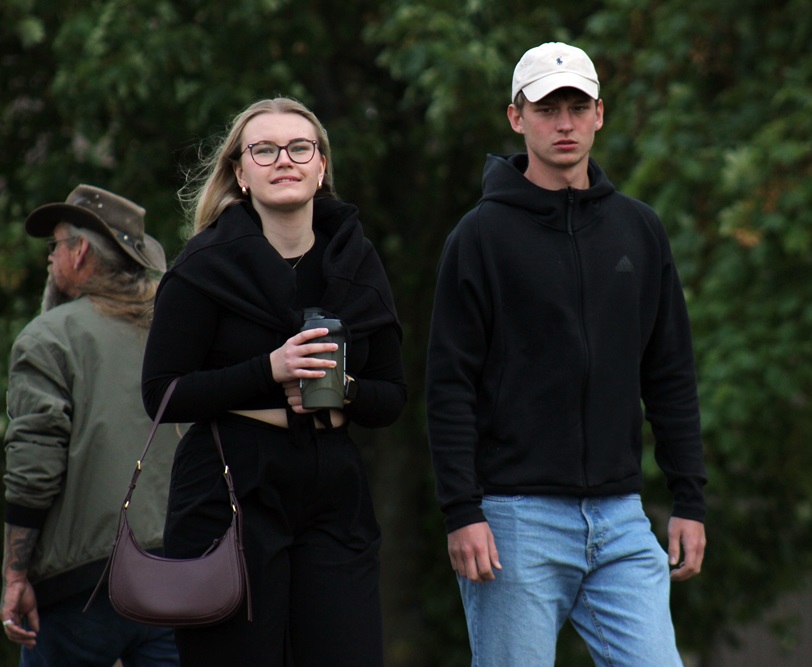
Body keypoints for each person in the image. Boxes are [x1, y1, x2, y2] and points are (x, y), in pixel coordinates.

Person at [425, 42, 708, 666]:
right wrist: (461, 511)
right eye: (547, 109)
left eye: (578, 107)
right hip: (514, 521)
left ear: (599, 114)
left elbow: (669, 372)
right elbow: (449, 386)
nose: (564, 123)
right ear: (516, 117)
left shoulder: (640, 228)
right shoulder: (479, 236)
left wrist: (689, 497)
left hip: (622, 520)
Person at [140, 96, 406, 667]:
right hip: (231, 485)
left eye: (299, 148)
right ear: (241, 172)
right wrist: (269, 369)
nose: (284, 159)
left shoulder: (357, 262)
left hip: (331, 484)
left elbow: (393, 396)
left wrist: (346, 389)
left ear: (321, 166)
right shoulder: (204, 266)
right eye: (264, 150)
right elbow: (161, 393)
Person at [2, 185, 180, 665]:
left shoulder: (48, 337)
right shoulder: (174, 332)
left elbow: (33, 469)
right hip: (175, 574)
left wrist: (15, 575)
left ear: (79, 251)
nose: (50, 258)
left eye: (54, 245)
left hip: (80, 589)